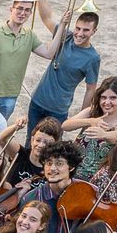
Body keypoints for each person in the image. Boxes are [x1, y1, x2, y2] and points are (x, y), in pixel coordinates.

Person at [26, 10, 101, 138]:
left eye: (86, 30)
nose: (79, 33)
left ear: (94, 31)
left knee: (52, 149)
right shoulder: (66, 36)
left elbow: (90, 89)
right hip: (37, 101)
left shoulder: (93, 58)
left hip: (58, 110)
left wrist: (81, 118)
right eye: (78, 28)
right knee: (31, 141)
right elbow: (46, 17)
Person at [0, 0, 57, 117]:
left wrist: (61, 27)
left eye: (27, 10)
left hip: (10, 95)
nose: (23, 13)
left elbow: (48, 54)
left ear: (30, 13)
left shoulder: (29, 35)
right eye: (19, 8)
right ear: (11, 9)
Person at [64, 76, 117, 180]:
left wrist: (104, 134)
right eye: (103, 97)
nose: (107, 102)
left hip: (94, 178)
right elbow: (65, 125)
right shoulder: (92, 111)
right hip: (70, 169)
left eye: (113, 98)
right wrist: (90, 121)